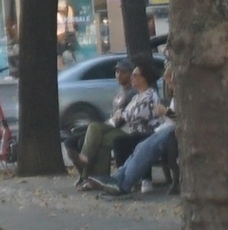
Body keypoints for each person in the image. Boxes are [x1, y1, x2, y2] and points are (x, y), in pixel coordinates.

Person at [110, 60, 176, 195]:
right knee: (140, 147)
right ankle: (116, 179)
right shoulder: (175, 97)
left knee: (144, 148)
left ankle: (124, 184)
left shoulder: (152, 95)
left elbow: (183, 119)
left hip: (169, 132)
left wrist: (166, 112)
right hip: (164, 129)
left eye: (170, 82)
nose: (169, 85)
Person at [74, 61, 136, 188]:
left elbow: (124, 117)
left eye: (123, 72)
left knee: (94, 127)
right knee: (100, 140)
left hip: (127, 129)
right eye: (117, 72)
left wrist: (114, 119)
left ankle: (85, 161)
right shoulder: (119, 92)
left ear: (131, 74)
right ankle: (96, 180)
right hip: (114, 125)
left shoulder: (132, 92)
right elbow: (115, 115)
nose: (119, 75)